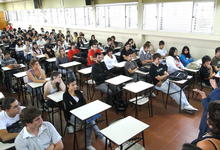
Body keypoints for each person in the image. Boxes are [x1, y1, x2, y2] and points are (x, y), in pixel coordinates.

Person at [63, 79, 106, 150]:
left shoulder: (78, 92)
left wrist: (77, 105)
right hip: (72, 116)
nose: (75, 86)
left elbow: (84, 103)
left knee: (89, 123)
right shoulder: (65, 96)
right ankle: (100, 136)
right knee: (90, 122)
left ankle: (89, 144)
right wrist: (79, 105)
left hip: (83, 113)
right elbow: (70, 109)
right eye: (72, 85)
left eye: (75, 84)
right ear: (67, 86)